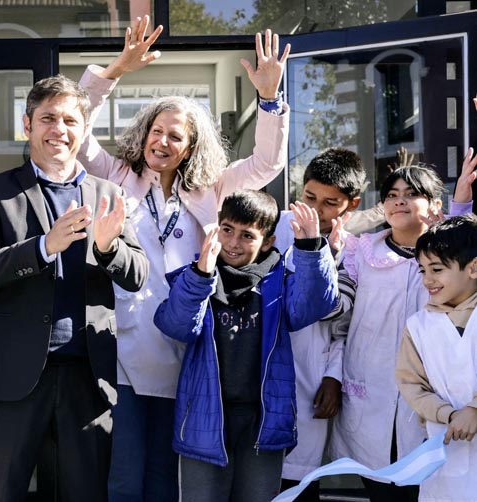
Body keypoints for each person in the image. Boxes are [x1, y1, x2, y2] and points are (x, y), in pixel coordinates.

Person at [77, 16, 290, 501]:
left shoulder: (211, 190)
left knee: (167, 482)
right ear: (144, 132)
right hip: (125, 349)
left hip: (188, 350)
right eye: (157, 130)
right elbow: (77, 127)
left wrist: (271, 100)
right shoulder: (115, 173)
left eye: (176, 136)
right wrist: (113, 71)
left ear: (190, 146)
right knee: (125, 478)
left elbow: (266, 164)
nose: (163, 141)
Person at [0, 75, 149, 501]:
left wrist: (106, 247)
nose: (59, 129)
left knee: (83, 493)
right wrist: (44, 247)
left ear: (84, 132)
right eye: (48, 118)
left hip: (88, 374)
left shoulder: (109, 193)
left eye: (69, 120)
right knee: (0, 492)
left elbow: (137, 273)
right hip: (14, 378)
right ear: (27, 125)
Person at [153, 190, 339, 502]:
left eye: (247, 235)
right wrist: (201, 274)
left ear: (267, 242)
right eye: (227, 230)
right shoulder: (198, 275)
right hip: (205, 418)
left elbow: (315, 306)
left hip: (264, 421)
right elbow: (177, 326)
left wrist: (310, 249)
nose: (233, 243)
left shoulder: (279, 281)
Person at [330, 162, 474, 502]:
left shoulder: (451, 261)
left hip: (438, 404)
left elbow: (464, 241)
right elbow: (337, 320)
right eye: (392, 195)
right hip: (371, 397)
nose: (399, 201)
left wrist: (462, 206)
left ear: (435, 205)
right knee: (380, 486)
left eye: (412, 194)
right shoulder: (361, 253)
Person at [272, 148, 365, 501]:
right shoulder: (271, 228)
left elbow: (344, 323)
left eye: (330, 203)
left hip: (314, 376)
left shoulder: (353, 252)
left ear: (351, 205)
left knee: (299, 483)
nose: (316, 210)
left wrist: (334, 375)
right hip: (262, 371)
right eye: (310, 197)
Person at [396, 212, 477, 501]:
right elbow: (412, 386)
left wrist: (474, 409)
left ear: (473, 268)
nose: (428, 280)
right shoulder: (418, 326)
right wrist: (451, 414)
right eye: (422, 270)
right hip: (446, 459)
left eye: (437, 269)